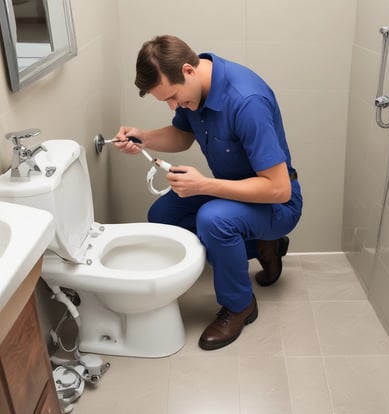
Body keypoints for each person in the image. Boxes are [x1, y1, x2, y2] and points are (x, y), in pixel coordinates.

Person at [114, 35, 302, 350]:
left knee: (213, 220)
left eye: (173, 97)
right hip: (234, 195)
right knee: (162, 215)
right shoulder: (195, 91)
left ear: (188, 70)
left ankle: (240, 305)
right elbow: (182, 135)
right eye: (166, 102)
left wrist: (203, 186)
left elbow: (279, 189)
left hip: (276, 203)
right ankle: (263, 246)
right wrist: (142, 138)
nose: (173, 106)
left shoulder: (246, 101)